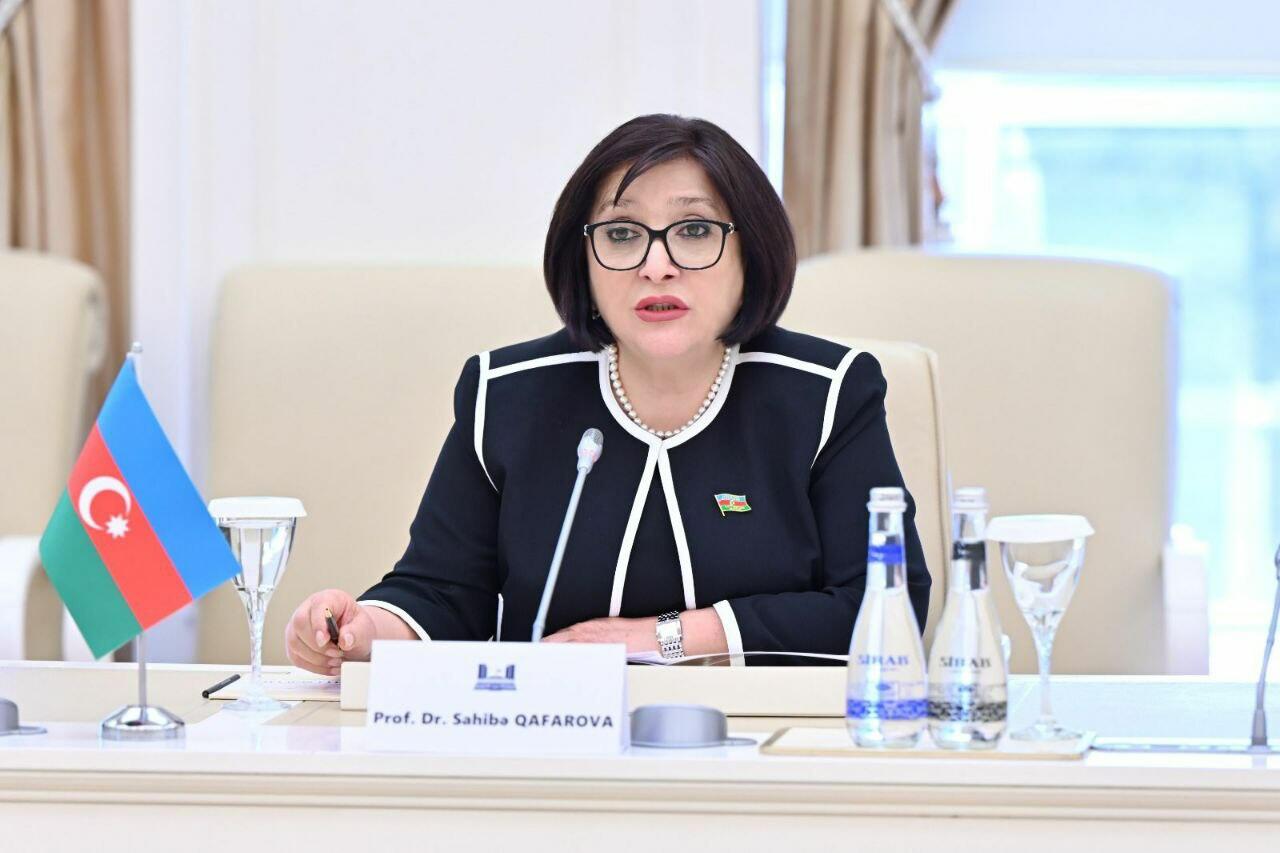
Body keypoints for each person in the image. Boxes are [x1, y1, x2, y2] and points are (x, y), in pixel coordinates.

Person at [284, 114, 930, 674]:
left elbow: (887, 603)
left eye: (694, 230)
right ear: (584, 258)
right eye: (622, 233)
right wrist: (364, 630)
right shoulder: (506, 394)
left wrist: (665, 638)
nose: (657, 265)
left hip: (767, 741)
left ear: (751, 251)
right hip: (554, 741)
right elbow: (443, 592)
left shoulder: (827, 393)